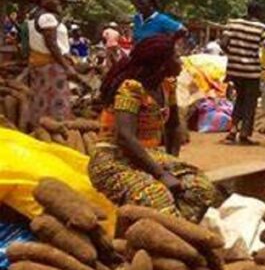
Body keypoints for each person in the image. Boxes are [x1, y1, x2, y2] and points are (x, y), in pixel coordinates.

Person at [88, 35, 222, 222]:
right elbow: (125, 138)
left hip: (150, 156)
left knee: (201, 189)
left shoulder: (167, 86)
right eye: (176, 57)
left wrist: (172, 162)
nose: (181, 61)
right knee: (156, 198)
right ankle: (148, 240)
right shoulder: (131, 89)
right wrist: (161, 174)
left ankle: (180, 236)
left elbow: (173, 126)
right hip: (115, 160)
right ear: (161, 64)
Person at [221, 1, 265, 144]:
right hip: (251, 72)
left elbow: (223, 43)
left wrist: (234, 56)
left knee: (239, 100)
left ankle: (232, 132)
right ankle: (244, 134)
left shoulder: (232, 23)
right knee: (250, 103)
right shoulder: (262, 27)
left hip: (234, 70)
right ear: (259, 12)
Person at [26, 0, 75, 127]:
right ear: (43, 0)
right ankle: (56, 130)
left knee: (41, 99)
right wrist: (66, 67)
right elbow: (52, 44)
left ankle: (40, 128)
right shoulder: (47, 18)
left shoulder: (34, 15)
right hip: (52, 66)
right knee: (57, 103)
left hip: (41, 64)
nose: (57, 1)